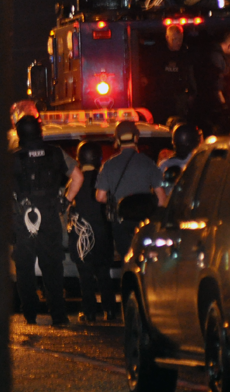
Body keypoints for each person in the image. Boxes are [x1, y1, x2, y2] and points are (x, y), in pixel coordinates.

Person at [10, 115, 83, 326]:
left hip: (23, 219)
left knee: (24, 268)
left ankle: (30, 314)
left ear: (19, 133)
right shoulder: (56, 152)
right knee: (52, 266)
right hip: (50, 216)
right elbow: (78, 177)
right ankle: (58, 315)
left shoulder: (13, 158)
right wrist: (65, 201)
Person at [96, 121, 168, 262]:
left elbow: (100, 197)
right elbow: (161, 199)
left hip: (121, 223)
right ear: (136, 138)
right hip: (144, 222)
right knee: (144, 260)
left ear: (117, 140)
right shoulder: (149, 163)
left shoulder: (109, 165)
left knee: (126, 260)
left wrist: (115, 201)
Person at [68, 142, 117, 322]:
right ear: (99, 158)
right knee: (104, 274)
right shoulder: (105, 179)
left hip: (82, 235)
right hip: (103, 233)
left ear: (80, 158)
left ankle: (89, 311)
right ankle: (110, 310)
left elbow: (68, 208)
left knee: (85, 275)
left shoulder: (75, 181)